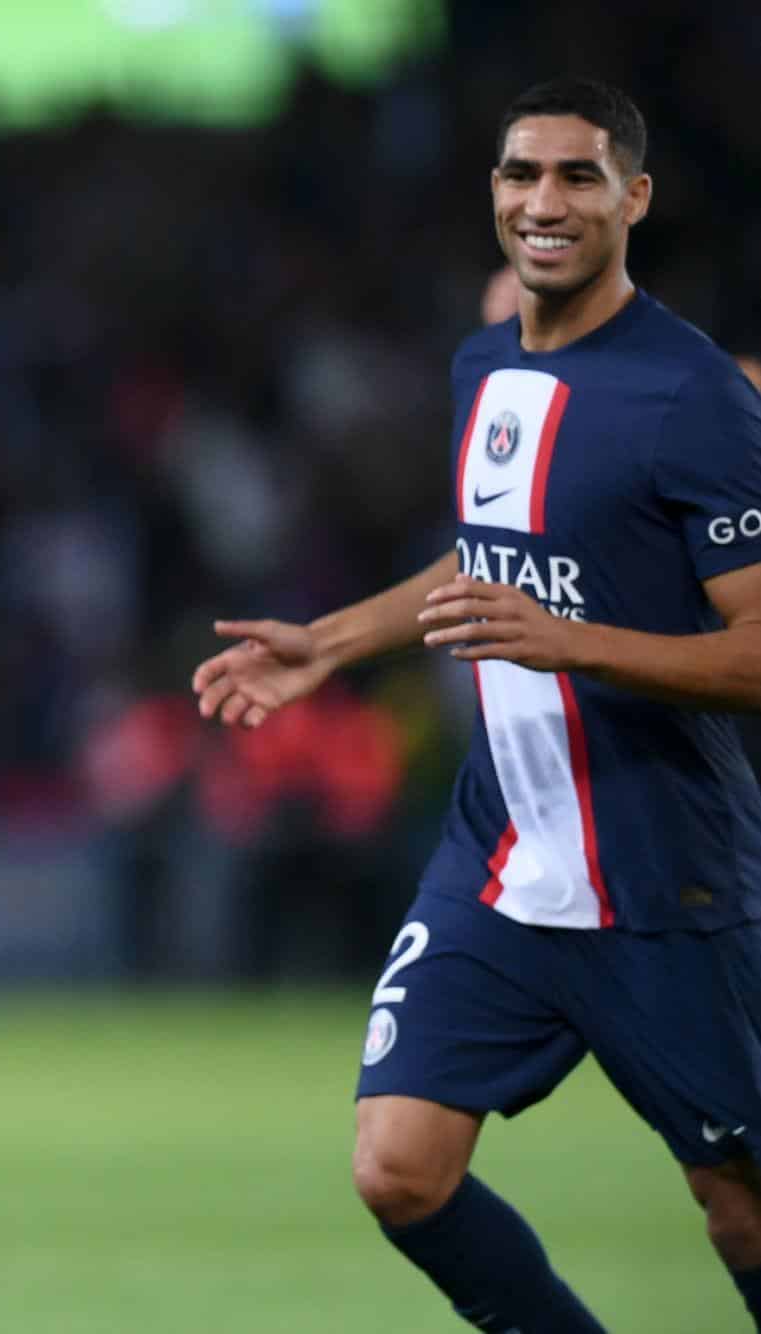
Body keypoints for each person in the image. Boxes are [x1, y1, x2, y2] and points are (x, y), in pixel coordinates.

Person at [192, 78, 761, 1332]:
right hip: (501, 857)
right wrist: (329, 643)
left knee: (737, 1203)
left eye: (577, 176)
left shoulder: (695, 395)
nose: (543, 201)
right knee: (398, 1166)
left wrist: (574, 644)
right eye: (521, 173)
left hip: (665, 878)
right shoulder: (485, 364)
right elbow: (491, 561)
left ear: (634, 199)